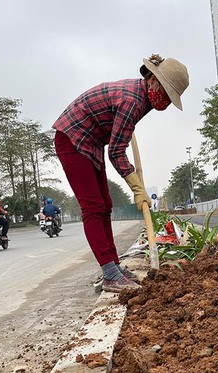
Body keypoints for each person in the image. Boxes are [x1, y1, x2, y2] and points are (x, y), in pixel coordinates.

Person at [52, 53, 189, 293]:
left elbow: (117, 141)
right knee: (94, 207)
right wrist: (138, 189)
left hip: (91, 141)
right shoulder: (132, 101)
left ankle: (113, 267)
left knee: (105, 205)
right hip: (73, 139)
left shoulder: (141, 98)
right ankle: (110, 274)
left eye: (170, 98)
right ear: (153, 81)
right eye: (166, 94)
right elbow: (116, 151)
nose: (166, 102)